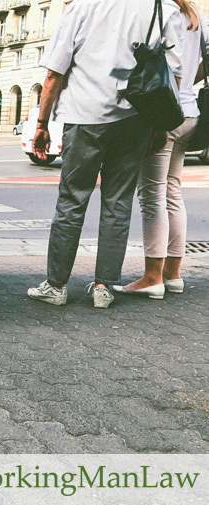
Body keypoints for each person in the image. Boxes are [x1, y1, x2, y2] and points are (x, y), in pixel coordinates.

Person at [28, 0, 183, 309]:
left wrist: (42, 123)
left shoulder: (82, 6)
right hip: (136, 117)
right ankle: (104, 287)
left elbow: (54, 72)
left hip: (85, 115)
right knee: (118, 202)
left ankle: (56, 285)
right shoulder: (162, 8)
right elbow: (173, 74)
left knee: (72, 199)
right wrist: (160, 126)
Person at [116, 0, 205, 299]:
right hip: (190, 112)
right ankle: (173, 274)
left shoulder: (161, 11)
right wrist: (189, 84)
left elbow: (166, 63)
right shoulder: (196, 14)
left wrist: (158, 123)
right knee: (172, 190)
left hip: (165, 113)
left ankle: (152, 276)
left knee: (152, 195)